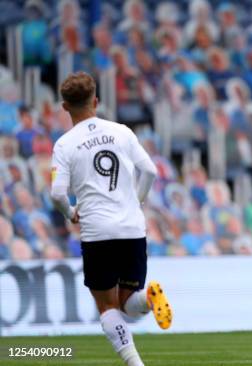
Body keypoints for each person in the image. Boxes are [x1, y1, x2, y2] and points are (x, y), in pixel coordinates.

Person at [50, 72, 172, 366]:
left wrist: (70, 213)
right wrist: (138, 201)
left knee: (106, 306)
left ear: (65, 107)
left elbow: (56, 193)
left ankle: (135, 364)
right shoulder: (122, 131)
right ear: (96, 100)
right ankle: (149, 299)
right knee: (129, 303)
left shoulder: (65, 145)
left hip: (97, 232)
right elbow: (151, 171)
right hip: (132, 227)